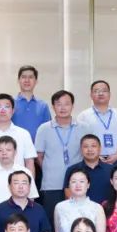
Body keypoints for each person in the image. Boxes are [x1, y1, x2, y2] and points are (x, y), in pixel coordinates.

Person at [34, 90, 83, 221]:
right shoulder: (44, 128)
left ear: (72, 106)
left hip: (77, 184)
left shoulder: (83, 128)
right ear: (53, 106)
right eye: (58, 104)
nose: (63, 107)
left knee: (76, 221)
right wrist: (49, 169)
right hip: (51, 185)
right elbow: (39, 155)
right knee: (53, 221)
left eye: (66, 104)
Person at [0, 94, 37, 174]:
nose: (3, 110)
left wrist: (30, 181)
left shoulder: (24, 134)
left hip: (18, 180)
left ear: (13, 111)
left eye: (7, 107)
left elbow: (29, 163)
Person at [76, 80, 117, 164]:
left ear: (110, 94)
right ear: (91, 95)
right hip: (92, 161)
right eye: (96, 91)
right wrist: (94, 156)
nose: (101, 93)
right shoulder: (83, 116)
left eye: (104, 91)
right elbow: (79, 140)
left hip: (115, 160)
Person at [63, 134, 114, 205]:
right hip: (80, 210)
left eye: (93, 146)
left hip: (107, 210)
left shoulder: (111, 170)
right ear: (81, 150)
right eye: (86, 146)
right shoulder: (72, 170)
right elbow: (68, 193)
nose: (90, 149)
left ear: (100, 148)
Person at [13, 65, 52, 133]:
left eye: (30, 77)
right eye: (23, 77)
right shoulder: (10, 104)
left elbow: (48, 131)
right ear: (18, 80)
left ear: (36, 81)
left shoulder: (43, 106)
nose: (27, 80)